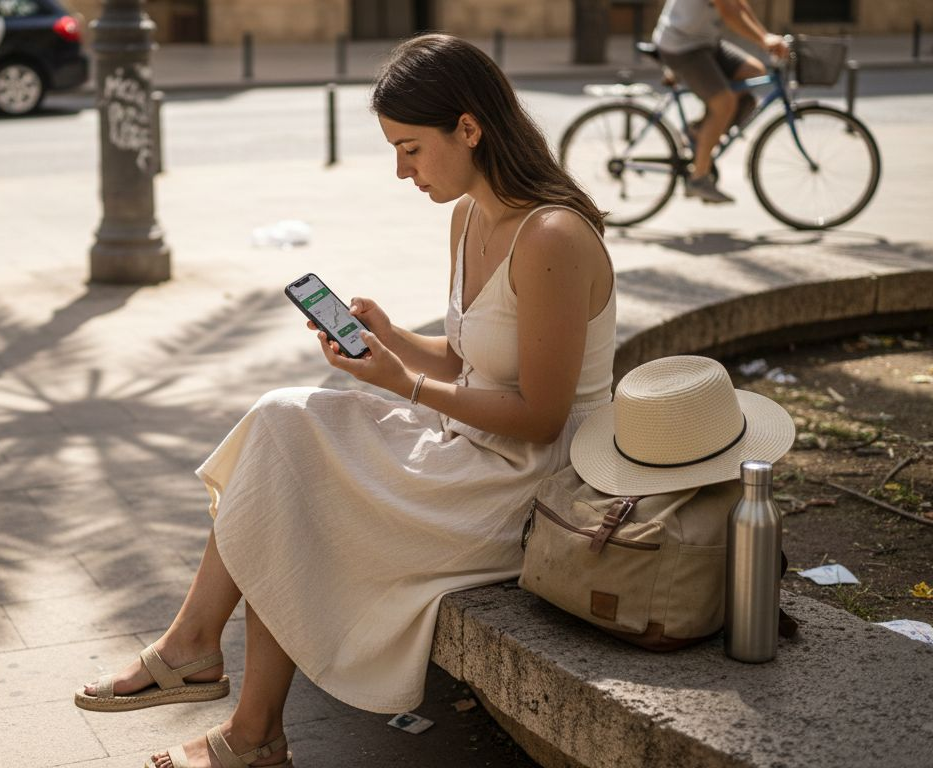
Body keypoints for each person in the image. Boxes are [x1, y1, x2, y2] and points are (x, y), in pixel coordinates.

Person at [73, 33, 616, 768]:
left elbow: (544, 416)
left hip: (525, 485)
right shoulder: (469, 217)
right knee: (282, 422)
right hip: (467, 447)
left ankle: (237, 711)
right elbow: (467, 358)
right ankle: (208, 668)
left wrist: (405, 384)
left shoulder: (553, 235)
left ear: (469, 127)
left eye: (410, 149)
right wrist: (394, 336)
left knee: (295, 479)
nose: (401, 171)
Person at [652, 0, 790, 204]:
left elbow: (739, 5)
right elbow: (729, 14)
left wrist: (765, 35)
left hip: (705, 42)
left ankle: (701, 130)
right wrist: (763, 40)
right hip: (682, 46)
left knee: (754, 72)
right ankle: (698, 178)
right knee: (725, 104)